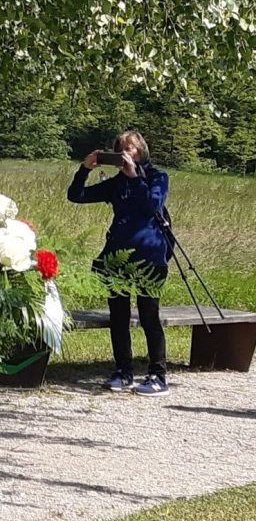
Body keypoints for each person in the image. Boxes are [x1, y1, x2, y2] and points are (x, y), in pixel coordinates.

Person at [69, 130, 173, 394]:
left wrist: (135, 177)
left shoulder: (157, 176)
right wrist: (85, 169)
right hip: (117, 258)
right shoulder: (116, 184)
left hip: (150, 255)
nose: (125, 153)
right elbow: (76, 195)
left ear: (142, 151)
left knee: (149, 316)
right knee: (118, 316)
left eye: (131, 148)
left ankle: (157, 376)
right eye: (120, 149)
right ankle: (123, 372)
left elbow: (152, 205)